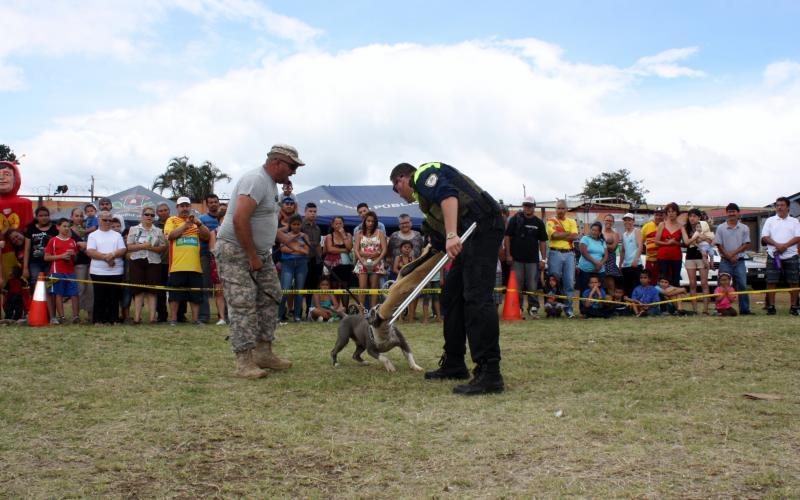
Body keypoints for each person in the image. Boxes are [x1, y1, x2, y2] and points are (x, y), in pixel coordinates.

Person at [390, 161, 504, 395]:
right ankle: (454, 361)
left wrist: (452, 234)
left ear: (402, 179)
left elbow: (449, 196)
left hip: (482, 226)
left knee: (476, 298)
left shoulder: (421, 175)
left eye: (395, 188)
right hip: (468, 231)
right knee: (451, 296)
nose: (398, 194)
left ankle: (490, 371)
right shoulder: (425, 203)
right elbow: (438, 242)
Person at [215, 144, 303, 379]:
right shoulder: (255, 180)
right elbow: (239, 219)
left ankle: (264, 352)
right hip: (236, 251)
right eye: (292, 166)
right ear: (278, 163)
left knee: (271, 295)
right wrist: (252, 256)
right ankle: (244, 362)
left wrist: (286, 239)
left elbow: (263, 220)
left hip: (259, 253)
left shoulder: (270, 184)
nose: (294, 172)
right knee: (242, 304)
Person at [164, 197, 210, 326]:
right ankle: (173, 319)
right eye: (181, 206)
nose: (184, 208)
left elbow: (206, 236)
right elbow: (171, 236)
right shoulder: (171, 220)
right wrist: (185, 225)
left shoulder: (196, 221)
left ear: (190, 207)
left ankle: (195, 320)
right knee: (174, 295)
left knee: (195, 295)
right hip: (177, 266)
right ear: (177, 208)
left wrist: (198, 223)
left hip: (195, 266)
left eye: (187, 206)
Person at [504, 196, 547, 317]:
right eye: (525, 205)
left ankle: (533, 308)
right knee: (517, 285)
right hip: (516, 259)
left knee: (532, 285)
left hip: (533, 260)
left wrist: (543, 259)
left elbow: (543, 241)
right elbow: (507, 237)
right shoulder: (514, 219)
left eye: (529, 205)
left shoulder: (539, 223)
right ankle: (518, 308)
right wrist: (508, 254)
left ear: (534, 207)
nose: (527, 208)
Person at [760, 196, 800, 315]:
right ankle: (771, 306)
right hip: (774, 255)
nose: (779, 207)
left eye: (782, 205)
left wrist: (785, 246)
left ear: (788, 207)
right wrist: (778, 245)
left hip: (791, 255)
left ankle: (794, 306)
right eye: (777, 205)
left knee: (794, 282)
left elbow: (798, 237)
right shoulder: (770, 220)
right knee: (771, 281)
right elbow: (765, 237)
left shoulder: (795, 221)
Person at [85, 211, 126, 325]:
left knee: (114, 297)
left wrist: (112, 255)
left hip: (116, 271)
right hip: (98, 271)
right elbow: (90, 251)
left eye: (110, 220)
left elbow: (122, 250)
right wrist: (106, 258)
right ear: (99, 220)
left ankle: (113, 319)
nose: (108, 222)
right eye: (105, 220)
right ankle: (98, 319)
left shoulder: (117, 235)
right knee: (99, 297)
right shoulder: (93, 235)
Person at [127, 207, 167, 324]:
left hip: (154, 262)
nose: (149, 217)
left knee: (152, 291)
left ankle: (152, 318)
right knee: (138, 291)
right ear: (142, 216)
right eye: (147, 214)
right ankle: (136, 318)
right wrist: (142, 246)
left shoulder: (158, 231)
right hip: (137, 261)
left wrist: (152, 248)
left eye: (152, 215)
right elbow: (129, 247)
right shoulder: (133, 229)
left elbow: (163, 248)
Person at [714, 203, 753, 315]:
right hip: (725, 261)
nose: (731, 214)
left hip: (739, 261)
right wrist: (729, 256)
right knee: (721, 285)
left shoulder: (744, 228)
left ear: (738, 213)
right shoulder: (721, 228)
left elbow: (746, 244)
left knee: (742, 285)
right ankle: (719, 309)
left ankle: (745, 310)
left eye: (733, 211)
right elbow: (719, 245)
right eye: (729, 211)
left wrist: (733, 254)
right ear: (726, 213)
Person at [546, 199, 580, 318]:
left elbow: (575, 236)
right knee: (553, 282)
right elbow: (553, 236)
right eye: (558, 208)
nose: (560, 210)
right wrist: (567, 234)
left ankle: (569, 309)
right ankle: (552, 307)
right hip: (555, 253)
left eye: (562, 208)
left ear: (566, 209)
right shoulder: (550, 221)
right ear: (555, 209)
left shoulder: (572, 221)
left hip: (569, 254)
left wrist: (561, 235)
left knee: (569, 283)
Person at [23, 206, 58, 317]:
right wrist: (25, 267)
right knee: (35, 284)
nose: (43, 218)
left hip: (50, 262)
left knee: (51, 286)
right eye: (41, 216)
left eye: (46, 215)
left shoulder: (54, 229)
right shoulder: (31, 229)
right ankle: (36, 311)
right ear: (36, 216)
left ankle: (51, 314)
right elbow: (27, 249)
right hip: (34, 263)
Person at [44, 218, 81, 324]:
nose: (66, 228)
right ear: (58, 227)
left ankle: (76, 316)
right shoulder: (53, 241)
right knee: (57, 294)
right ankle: (61, 317)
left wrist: (74, 255)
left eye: (68, 226)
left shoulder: (72, 241)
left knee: (74, 294)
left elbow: (76, 259)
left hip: (70, 272)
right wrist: (61, 256)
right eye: (64, 226)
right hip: (56, 272)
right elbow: (46, 257)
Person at [353, 210, 387, 311]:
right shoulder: (359, 233)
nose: (370, 223)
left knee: (374, 288)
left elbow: (384, 249)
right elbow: (356, 249)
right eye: (368, 221)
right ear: (364, 221)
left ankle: (373, 311)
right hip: (362, 262)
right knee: (362, 287)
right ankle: (361, 312)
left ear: (375, 222)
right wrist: (362, 261)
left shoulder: (380, 233)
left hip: (376, 263)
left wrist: (376, 261)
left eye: (372, 221)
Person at [278, 214, 310, 323]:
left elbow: (307, 251)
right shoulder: (285, 235)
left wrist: (292, 249)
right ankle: (279, 316)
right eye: (294, 224)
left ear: (301, 224)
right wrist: (297, 247)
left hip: (302, 264)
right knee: (285, 290)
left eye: (298, 224)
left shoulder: (305, 236)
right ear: (290, 225)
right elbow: (283, 249)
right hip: (287, 263)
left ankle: (297, 316)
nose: (296, 226)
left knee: (299, 291)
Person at [680, 208, 710, 315]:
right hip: (690, 257)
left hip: (702, 256)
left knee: (704, 283)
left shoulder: (704, 226)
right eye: (690, 216)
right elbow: (687, 242)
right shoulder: (685, 227)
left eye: (694, 216)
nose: (692, 218)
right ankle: (694, 310)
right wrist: (697, 236)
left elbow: (709, 240)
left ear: (699, 217)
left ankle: (705, 309)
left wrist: (701, 238)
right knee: (692, 284)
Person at [199, 194, 222, 323]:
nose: (213, 204)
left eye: (215, 201)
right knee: (204, 286)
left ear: (218, 203)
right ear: (207, 204)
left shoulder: (224, 219)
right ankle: (204, 316)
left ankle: (224, 315)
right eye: (211, 202)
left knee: (223, 287)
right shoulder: (201, 219)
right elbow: (202, 237)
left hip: (223, 257)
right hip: (205, 255)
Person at [577, 221, 607, 310]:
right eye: (592, 230)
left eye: (596, 230)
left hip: (600, 271)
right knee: (584, 290)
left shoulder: (602, 241)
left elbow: (606, 255)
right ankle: (584, 310)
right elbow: (583, 252)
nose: (593, 232)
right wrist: (595, 263)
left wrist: (600, 264)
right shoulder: (585, 239)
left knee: (599, 290)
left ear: (599, 232)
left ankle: (598, 309)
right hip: (585, 270)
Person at [70, 207, 93, 319]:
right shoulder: (68, 230)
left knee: (90, 288)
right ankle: (76, 315)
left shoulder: (88, 229)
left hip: (92, 261)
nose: (79, 218)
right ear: (72, 217)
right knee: (80, 288)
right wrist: (77, 244)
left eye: (81, 216)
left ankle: (90, 313)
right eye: (76, 216)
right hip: (79, 263)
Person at [322, 216, 354, 293]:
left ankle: (344, 305)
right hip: (333, 266)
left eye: (340, 223)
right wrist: (345, 250)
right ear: (332, 225)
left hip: (346, 265)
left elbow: (349, 247)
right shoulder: (329, 236)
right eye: (336, 223)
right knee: (334, 286)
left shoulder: (348, 235)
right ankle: (336, 305)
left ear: (343, 224)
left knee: (345, 288)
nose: (339, 225)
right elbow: (330, 249)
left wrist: (343, 235)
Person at [301, 202, 323, 318]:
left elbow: (318, 245)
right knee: (301, 287)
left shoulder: (317, 228)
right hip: (302, 259)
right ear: (305, 212)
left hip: (315, 261)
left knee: (312, 287)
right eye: (310, 211)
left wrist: (320, 261)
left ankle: (308, 312)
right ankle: (297, 312)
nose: (313, 214)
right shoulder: (300, 225)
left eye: (314, 212)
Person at [654, 202, 683, 287]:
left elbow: (685, 244)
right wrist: (667, 243)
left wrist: (675, 242)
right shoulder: (662, 224)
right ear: (666, 213)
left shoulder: (681, 226)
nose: (671, 213)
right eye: (669, 211)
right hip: (663, 257)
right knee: (663, 281)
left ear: (677, 212)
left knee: (675, 280)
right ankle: (664, 299)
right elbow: (656, 242)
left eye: (673, 211)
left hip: (676, 257)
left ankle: (675, 299)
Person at [206, 218, 227, 325]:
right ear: (220, 221)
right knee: (219, 293)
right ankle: (222, 318)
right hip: (218, 265)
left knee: (234, 292)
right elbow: (212, 249)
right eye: (223, 219)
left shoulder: (237, 231)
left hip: (235, 265)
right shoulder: (214, 232)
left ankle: (234, 316)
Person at [154, 202, 171, 322]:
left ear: (169, 211)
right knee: (160, 290)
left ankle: (180, 315)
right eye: (160, 211)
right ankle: (162, 315)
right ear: (157, 213)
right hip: (159, 262)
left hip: (176, 262)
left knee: (177, 290)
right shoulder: (154, 226)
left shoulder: (176, 223)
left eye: (165, 210)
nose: (163, 212)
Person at [619, 213, 643, 297]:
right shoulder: (624, 234)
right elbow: (623, 250)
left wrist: (635, 260)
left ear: (633, 221)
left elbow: (640, 246)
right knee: (627, 288)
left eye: (629, 220)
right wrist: (620, 264)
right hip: (626, 265)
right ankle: (629, 307)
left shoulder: (637, 231)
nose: (627, 222)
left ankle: (636, 307)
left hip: (635, 265)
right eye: (625, 220)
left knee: (636, 287)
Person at [641, 207, 664, 283]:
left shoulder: (666, 225)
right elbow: (640, 242)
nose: (658, 217)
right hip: (650, 259)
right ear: (654, 215)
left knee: (663, 280)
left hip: (663, 259)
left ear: (664, 215)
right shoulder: (646, 226)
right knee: (649, 280)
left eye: (660, 215)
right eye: (657, 215)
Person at [601, 213, 622, 281]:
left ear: (613, 222)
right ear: (604, 221)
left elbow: (613, 247)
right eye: (607, 220)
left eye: (610, 221)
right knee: (600, 281)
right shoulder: (600, 233)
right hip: (599, 258)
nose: (608, 222)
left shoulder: (615, 234)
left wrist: (600, 243)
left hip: (610, 260)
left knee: (610, 281)